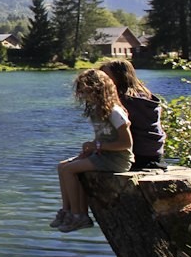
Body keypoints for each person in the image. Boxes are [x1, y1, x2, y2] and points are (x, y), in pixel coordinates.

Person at [51, 68, 134, 233]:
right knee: (62, 166)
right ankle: (67, 211)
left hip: (117, 159)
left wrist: (97, 147)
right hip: (102, 155)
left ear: (98, 90)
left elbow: (126, 143)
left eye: (85, 91)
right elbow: (103, 137)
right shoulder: (98, 111)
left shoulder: (115, 112)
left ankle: (79, 216)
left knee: (69, 170)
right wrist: (90, 150)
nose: (82, 95)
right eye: (80, 91)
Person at [99, 59, 167, 171]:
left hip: (138, 156)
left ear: (120, 77)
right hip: (155, 154)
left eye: (106, 77)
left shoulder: (124, 102)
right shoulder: (146, 96)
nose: (102, 81)